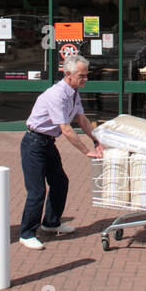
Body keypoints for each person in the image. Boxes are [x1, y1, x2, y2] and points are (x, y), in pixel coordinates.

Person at [19, 54, 104, 250]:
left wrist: (96, 140)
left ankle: (51, 223)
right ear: (68, 74)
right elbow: (66, 129)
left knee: (60, 182)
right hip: (34, 143)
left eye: (86, 75)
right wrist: (86, 151)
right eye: (81, 76)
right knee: (37, 190)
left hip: (48, 143)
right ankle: (27, 233)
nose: (85, 79)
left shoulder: (73, 92)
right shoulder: (56, 94)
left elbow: (81, 119)